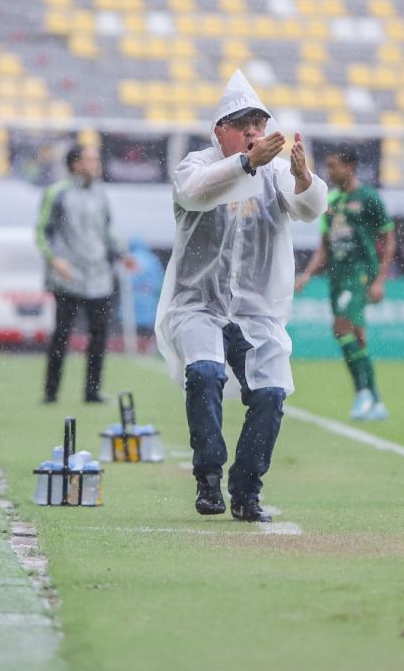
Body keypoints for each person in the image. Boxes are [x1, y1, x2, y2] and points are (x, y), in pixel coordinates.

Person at [155, 71, 327, 522]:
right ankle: (208, 477)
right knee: (206, 373)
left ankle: (247, 491)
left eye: (259, 123)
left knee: (270, 396)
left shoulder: (276, 173)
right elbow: (195, 195)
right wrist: (245, 165)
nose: (253, 131)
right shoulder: (196, 166)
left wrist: (304, 176)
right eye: (241, 123)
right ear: (220, 131)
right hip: (198, 305)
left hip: (256, 312)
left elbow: (310, 209)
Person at [295, 146, 396, 420]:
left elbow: (388, 240)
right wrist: (306, 274)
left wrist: (379, 280)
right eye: (327, 166)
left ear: (349, 167)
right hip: (338, 275)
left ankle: (362, 393)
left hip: (360, 272)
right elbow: (324, 247)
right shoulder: (332, 200)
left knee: (341, 328)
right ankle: (375, 402)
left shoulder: (368, 198)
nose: (329, 172)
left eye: (333, 165)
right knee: (358, 337)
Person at [37, 144, 138, 405]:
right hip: (68, 277)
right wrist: (54, 260)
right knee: (61, 335)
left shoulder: (101, 194)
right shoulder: (56, 193)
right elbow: (41, 232)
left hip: (99, 276)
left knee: (99, 335)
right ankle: (51, 392)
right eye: (91, 159)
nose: (96, 164)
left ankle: (91, 392)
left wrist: (121, 253)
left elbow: (106, 230)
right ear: (75, 164)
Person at [128, 238, 164, 336]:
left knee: (131, 335)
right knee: (148, 335)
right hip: (149, 302)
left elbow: (124, 281)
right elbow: (160, 280)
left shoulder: (129, 259)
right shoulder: (152, 259)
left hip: (131, 303)